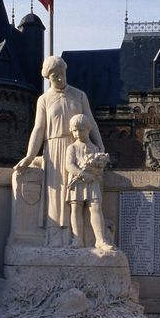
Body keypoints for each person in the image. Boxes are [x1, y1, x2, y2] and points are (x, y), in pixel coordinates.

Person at [14, 56, 104, 247]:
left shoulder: (79, 96)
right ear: (48, 78)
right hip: (54, 150)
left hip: (78, 150)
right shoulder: (44, 99)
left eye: (61, 74)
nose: (60, 79)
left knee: (78, 195)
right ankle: (57, 239)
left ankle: (80, 238)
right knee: (56, 197)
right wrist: (30, 156)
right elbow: (38, 128)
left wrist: (100, 146)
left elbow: (91, 121)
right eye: (55, 76)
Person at [65, 114, 115, 251]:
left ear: (88, 130)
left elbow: (100, 168)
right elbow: (69, 165)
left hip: (92, 181)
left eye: (81, 130)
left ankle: (100, 240)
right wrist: (82, 174)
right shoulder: (72, 148)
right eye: (74, 130)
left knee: (96, 208)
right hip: (77, 181)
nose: (77, 133)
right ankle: (77, 240)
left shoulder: (95, 149)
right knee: (76, 209)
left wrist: (97, 169)